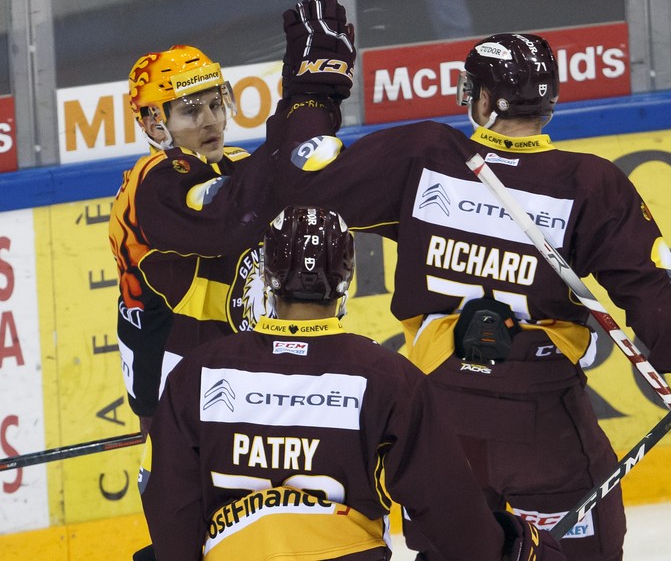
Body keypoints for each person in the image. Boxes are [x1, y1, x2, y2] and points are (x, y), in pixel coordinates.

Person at [272, 33, 671, 560]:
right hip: (541, 421)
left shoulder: (426, 153)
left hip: (440, 413)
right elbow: (651, 291)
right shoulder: (590, 182)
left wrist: (314, 92)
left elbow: (306, 181)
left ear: (486, 100)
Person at [138, 205, 566, 561]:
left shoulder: (197, 373)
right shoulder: (386, 377)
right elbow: (448, 507)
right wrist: (509, 548)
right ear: (345, 280)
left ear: (267, 278)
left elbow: (170, 503)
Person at [108, 0, 355, 435]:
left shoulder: (234, 162)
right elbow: (226, 219)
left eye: (215, 104)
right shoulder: (153, 180)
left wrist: (314, 101)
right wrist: (303, 100)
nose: (210, 121)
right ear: (152, 124)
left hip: (227, 353)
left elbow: (280, 178)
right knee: (182, 480)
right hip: (167, 359)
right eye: (190, 110)